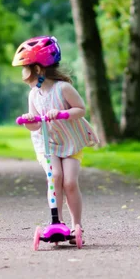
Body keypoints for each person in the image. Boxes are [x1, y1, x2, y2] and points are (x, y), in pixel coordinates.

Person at [13, 36, 99, 243]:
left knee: (69, 182)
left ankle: (77, 226)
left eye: (25, 69)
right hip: (48, 144)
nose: (23, 75)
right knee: (55, 177)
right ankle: (56, 223)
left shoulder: (63, 89)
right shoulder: (34, 95)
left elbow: (81, 109)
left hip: (70, 142)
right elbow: (34, 125)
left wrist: (62, 113)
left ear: (39, 70)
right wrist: (29, 120)